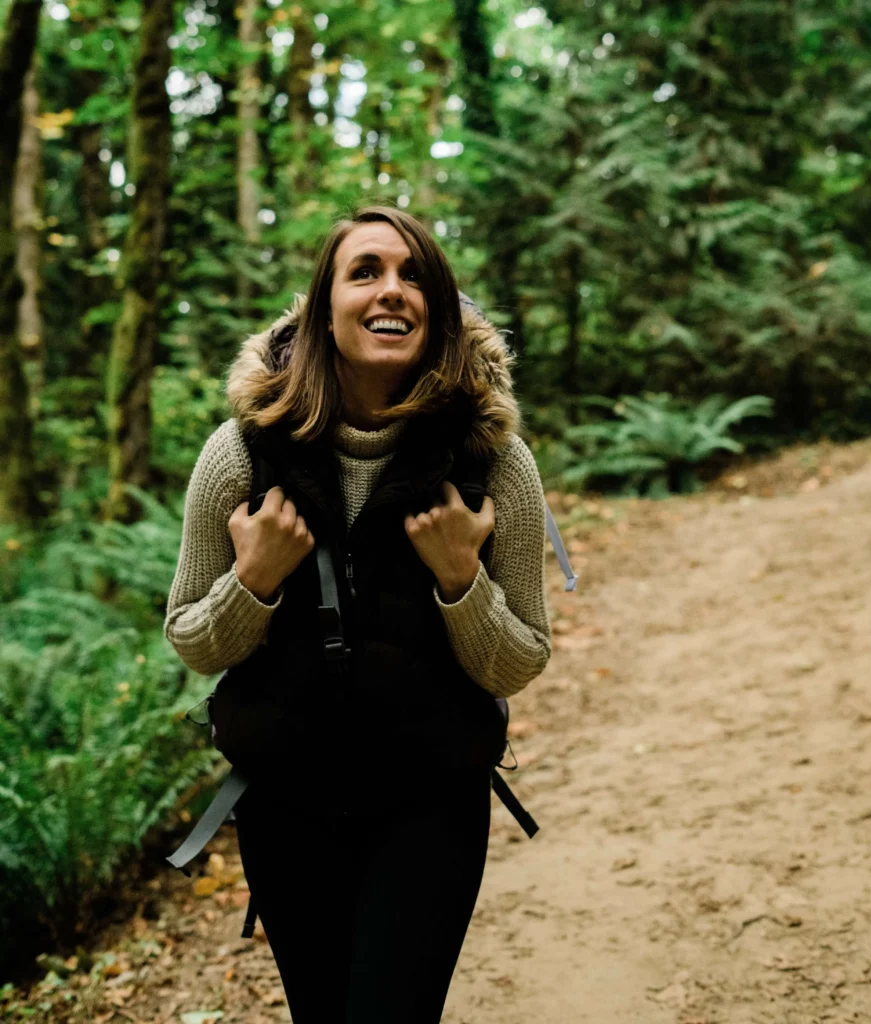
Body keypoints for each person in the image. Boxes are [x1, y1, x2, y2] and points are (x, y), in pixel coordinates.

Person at [164, 205, 551, 1022]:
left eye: (415, 275)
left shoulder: (494, 461)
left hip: (430, 802)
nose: (393, 290)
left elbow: (519, 658)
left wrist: (460, 579)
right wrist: (255, 578)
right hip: (286, 805)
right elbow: (193, 638)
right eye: (366, 270)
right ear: (323, 305)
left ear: (440, 312)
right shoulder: (240, 453)